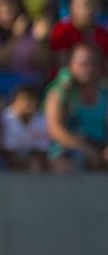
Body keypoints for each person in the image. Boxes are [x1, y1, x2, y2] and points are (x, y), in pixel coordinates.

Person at [44, 43, 108, 171]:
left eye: (93, 64)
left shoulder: (105, 94)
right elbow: (55, 130)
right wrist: (86, 149)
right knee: (69, 163)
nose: (88, 69)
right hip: (68, 148)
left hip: (98, 145)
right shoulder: (59, 93)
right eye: (82, 64)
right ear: (71, 65)